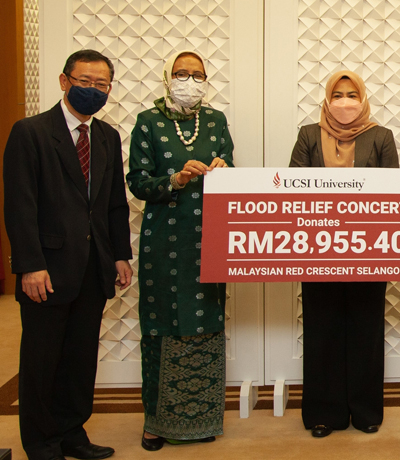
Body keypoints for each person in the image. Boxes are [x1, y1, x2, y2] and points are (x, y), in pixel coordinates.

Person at [3, 49, 132, 460]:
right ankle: (41, 442)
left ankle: (73, 432)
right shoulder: (31, 133)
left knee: (79, 358)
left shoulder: (108, 137)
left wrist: (120, 256)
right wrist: (30, 265)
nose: (92, 90)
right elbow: (19, 206)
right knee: (42, 359)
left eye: (101, 85)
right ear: (64, 81)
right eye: (84, 82)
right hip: (47, 268)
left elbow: (113, 204)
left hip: (93, 267)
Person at [126, 50, 233, 451]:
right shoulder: (148, 122)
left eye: (198, 74)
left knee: (206, 323)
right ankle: (155, 423)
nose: (190, 80)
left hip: (210, 239)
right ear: (168, 77)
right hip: (164, 241)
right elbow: (137, 182)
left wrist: (225, 169)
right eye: (182, 73)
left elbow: (233, 173)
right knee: (162, 327)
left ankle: (202, 419)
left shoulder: (217, 121)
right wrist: (175, 179)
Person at [289, 70, 399, 438]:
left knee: (366, 329)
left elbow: (394, 191)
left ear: (363, 98)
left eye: (352, 94)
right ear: (327, 98)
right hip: (318, 250)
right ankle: (323, 413)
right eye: (338, 94)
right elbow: (293, 187)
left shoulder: (381, 136)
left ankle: (366, 411)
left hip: (370, 251)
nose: (345, 102)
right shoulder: (307, 134)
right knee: (323, 328)